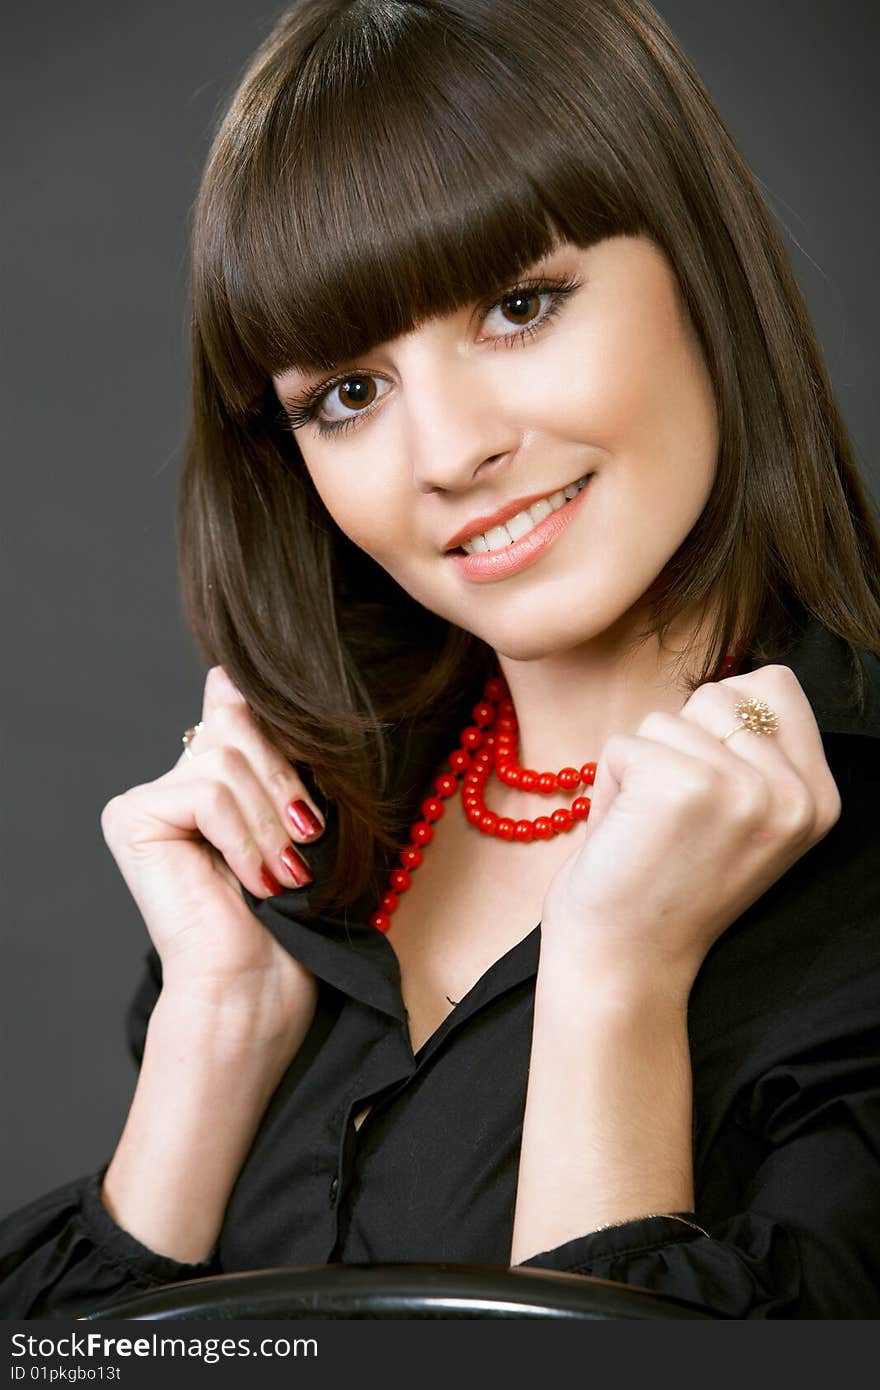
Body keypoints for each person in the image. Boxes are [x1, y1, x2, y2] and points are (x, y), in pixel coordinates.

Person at [2, 0, 879, 1320]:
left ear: (699, 265)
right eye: (348, 392)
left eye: (520, 306)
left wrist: (614, 980)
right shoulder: (304, 870)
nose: (447, 452)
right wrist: (216, 1028)